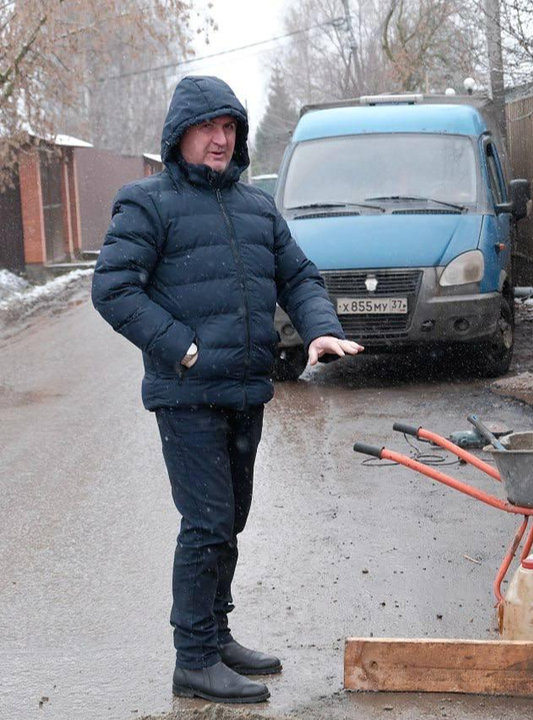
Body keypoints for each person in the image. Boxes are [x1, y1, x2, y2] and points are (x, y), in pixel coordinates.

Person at [92, 76, 362, 703]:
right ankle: (193, 659)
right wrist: (183, 347)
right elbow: (114, 289)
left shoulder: (257, 207)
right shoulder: (147, 202)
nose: (220, 139)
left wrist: (320, 328)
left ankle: (217, 636)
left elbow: (299, 277)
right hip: (186, 397)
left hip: (246, 393)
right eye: (208, 127)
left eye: (229, 127)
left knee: (230, 519)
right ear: (180, 133)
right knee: (207, 523)